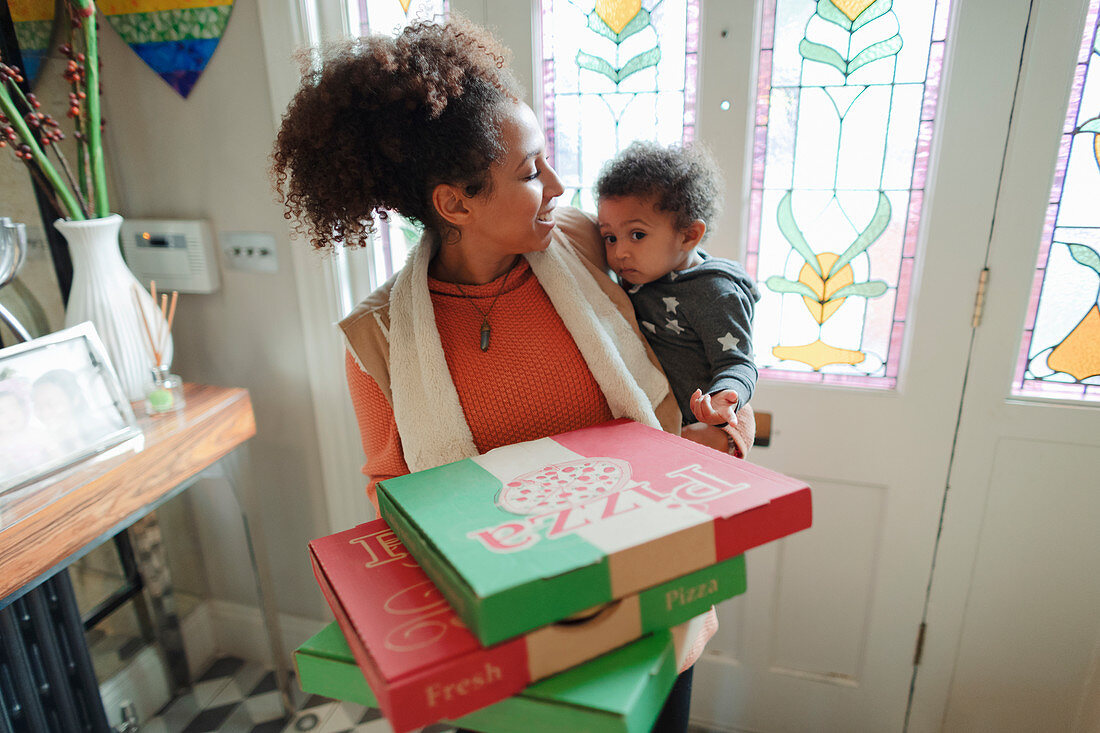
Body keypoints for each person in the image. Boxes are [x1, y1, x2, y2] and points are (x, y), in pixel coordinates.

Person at [271, 17, 753, 732]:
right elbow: (391, 497)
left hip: (648, 605)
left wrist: (721, 421)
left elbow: (699, 329)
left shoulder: (596, 247)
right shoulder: (379, 339)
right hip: (510, 639)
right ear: (454, 203)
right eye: (530, 172)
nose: (559, 185)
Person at [596, 142, 760, 457]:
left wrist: (724, 399)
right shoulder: (638, 274)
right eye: (610, 237)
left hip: (713, 420)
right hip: (655, 424)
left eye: (637, 235)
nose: (619, 252)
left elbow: (738, 361)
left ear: (688, 236)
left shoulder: (715, 292)